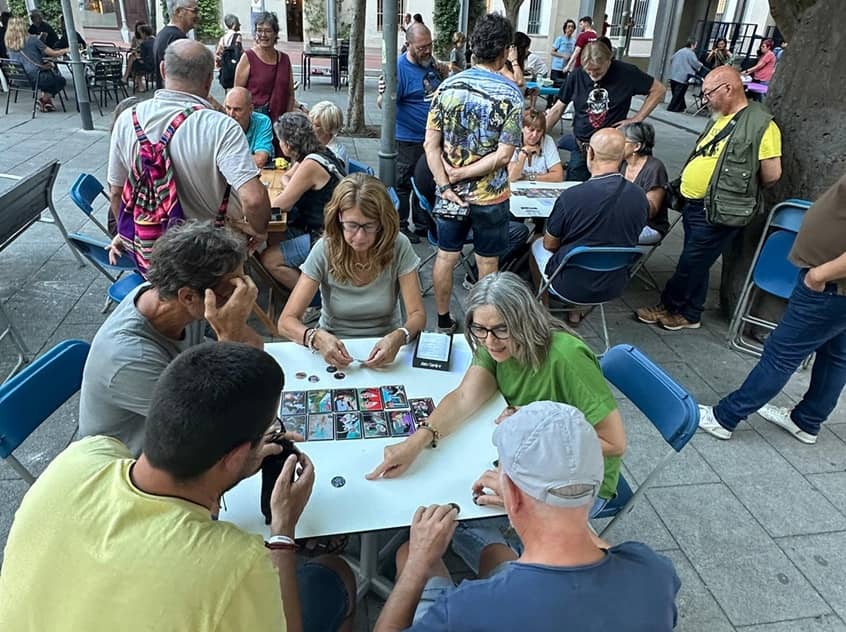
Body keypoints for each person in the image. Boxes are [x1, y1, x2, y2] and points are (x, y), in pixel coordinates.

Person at [1, 342, 356, 631]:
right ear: (235, 457)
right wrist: (282, 532)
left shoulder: (82, 456)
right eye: (268, 428)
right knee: (334, 572)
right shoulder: (237, 562)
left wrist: (230, 466)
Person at [374, 402, 680, 632]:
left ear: (513, 493)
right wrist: (529, 503)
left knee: (407, 553)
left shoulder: (466, 610)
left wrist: (418, 562)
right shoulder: (654, 571)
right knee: (496, 555)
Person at [367, 272, 627, 521]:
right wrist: (415, 443)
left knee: (458, 518)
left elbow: (614, 443)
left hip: (581, 486)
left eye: (502, 329)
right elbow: (464, 398)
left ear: (525, 321)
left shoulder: (567, 357)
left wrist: (534, 425)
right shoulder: (490, 342)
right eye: (479, 328)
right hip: (532, 463)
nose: (490, 341)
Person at [78, 222, 263, 456]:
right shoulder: (129, 359)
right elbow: (210, 423)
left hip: (180, 422)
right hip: (130, 466)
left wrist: (235, 324)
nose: (240, 297)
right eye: (231, 291)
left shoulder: (173, 299)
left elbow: (255, 350)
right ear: (187, 296)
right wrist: (228, 336)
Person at [698, 170, 846, 445]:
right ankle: (806, 421)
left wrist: (819, 275)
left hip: (831, 287)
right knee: (836, 355)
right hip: (834, 287)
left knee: (782, 353)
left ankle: (724, 418)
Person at [635, 66, 782, 331]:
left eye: (708, 93)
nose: (705, 100)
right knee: (698, 261)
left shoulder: (762, 125)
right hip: (696, 204)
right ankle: (690, 314)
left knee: (690, 262)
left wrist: (739, 189)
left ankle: (670, 305)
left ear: (728, 88)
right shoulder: (720, 117)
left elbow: (772, 174)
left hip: (721, 208)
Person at [108, 39, 270, 249]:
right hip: (212, 253)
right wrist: (259, 230)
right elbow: (254, 200)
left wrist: (127, 236)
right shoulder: (221, 126)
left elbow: (116, 192)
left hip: (156, 252)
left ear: (163, 70)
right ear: (209, 79)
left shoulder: (127, 119)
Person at [424, 14, 524, 335]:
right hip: (491, 196)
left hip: (449, 195)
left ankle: (442, 320)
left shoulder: (447, 86)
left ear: (473, 47)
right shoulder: (510, 94)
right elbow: (504, 155)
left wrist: (446, 181)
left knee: (445, 256)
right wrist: (463, 173)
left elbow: (430, 144)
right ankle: (483, 326)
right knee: (487, 264)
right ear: (504, 50)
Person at [278, 174, 426, 369]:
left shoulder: (398, 245)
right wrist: (315, 338)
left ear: (382, 222)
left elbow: (418, 315)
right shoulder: (325, 248)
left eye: (369, 225)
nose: (360, 236)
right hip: (332, 346)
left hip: (386, 346)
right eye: (352, 225)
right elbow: (286, 322)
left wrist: (400, 336)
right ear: (338, 218)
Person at [531, 128, 647, 317]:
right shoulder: (640, 197)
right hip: (613, 285)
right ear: (622, 155)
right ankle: (576, 313)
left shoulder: (572, 197)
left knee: (537, 241)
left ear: (590, 153)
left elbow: (549, 245)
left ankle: (543, 308)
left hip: (568, 284)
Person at [546, 40, 666, 181]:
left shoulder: (626, 73)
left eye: (597, 70)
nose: (592, 74)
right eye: (588, 70)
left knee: (608, 190)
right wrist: (540, 135)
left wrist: (637, 118)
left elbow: (658, 90)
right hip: (582, 147)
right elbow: (557, 109)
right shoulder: (577, 75)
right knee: (575, 188)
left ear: (609, 60)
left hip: (611, 151)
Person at [377, 22, 447, 243]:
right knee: (404, 184)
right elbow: (384, 103)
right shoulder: (399, 69)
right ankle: (400, 226)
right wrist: (383, 95)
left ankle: (422, 223)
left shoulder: (430, 64)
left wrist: (445, 74)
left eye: (430, 45)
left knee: (425, 182)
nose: (427, 50)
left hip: (431, 138)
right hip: (407, 139)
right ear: (408, 45)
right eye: (421, 47)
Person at [260, 112, 347, 290]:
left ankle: (312, 300)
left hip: (328, 236)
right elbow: (287, 177)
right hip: (324, 226)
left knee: (269, 259)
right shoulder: (318, 151)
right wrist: (291, 186)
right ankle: (291, 284)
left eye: (280, 141)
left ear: (288, 145)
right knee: (273, 234)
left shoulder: (310, 165)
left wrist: (252, 205)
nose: (279, 144)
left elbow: (281, 205)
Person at [234, 12, 295, 125]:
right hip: (255, 125)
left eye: (268, 31)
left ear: (275, 33)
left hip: (279, 124)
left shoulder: (285, 59)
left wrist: (288, 118)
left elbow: (290, 93)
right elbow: (237, 94)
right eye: (259, 30)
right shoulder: (248, 57)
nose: (263, 35)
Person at [4, 16, 68, 112]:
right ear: (23, 27)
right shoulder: (32, 40)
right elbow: (54, 53)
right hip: (35, 77)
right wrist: (69, 49)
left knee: (48, 78)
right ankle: (43, 100)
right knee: (60, 80)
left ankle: (46, 103)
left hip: (18, 79)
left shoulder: (9, 43)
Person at [620, 121, 670, 245]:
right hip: (622, 220)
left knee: (607, 234)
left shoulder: (654, 168)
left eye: (622, 142)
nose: (617, 145)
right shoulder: (622, 163)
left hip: (649, 226)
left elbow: (651, 211)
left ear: (636, 146)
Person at [508, 108, 565, 183]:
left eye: (539, 131)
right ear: (522, 128)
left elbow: (558, 176)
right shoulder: (512, 140)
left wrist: (530, 177)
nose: (535, 135)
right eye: (531, 130)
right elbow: (512, 177)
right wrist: (523, 153)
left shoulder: (547, 141)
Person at [153, 0, 199, 89]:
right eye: (194, 11)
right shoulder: (177, 38)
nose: (198, 15)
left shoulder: (164, 34)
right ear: (179, 12)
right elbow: (185, 77)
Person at [224, 87, 274, 168]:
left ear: (250, 109)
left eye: (237, 109)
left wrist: (225, 160)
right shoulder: (221, 123)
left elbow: (260, 160)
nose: (231, 114)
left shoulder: (262, 122)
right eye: (228, 108)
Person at [309, 100, 350, 172]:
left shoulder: (335, 156)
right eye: (310, 122)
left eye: (316, 125)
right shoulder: (315, 144)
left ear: (328, 129)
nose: (310, 127)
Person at [667, 39, 703, 113]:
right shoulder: (690, 53)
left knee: (677, 93)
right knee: (679, 94)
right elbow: (695, 63)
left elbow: (672, 59)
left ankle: (682, 107)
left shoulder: (680, 51)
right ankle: (672, 107)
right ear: (692, 45)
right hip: (683, 77)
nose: (696, 46)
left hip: (674, 75)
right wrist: (700, 65)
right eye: (695, 45)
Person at [124, 24, 155, 91]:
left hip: (148, 65)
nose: (140, 35)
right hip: (155, 64)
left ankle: (139, 85)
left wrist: (135, 54)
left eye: (140, 33)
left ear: (144, 33)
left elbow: (142, 59)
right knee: (132, 59)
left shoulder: (144, 43)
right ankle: (138, 84)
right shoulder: (155, 40)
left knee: (133, 63)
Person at [549, 19, 577, 84]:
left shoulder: (574, 41)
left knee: (564, 85)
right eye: (569, 27)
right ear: (565, 29)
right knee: (555, 85)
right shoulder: (560, 39)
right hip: (556, 67)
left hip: (565, 68)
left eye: (572, 27)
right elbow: (552, 52)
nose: (570, 29)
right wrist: (562, 55)